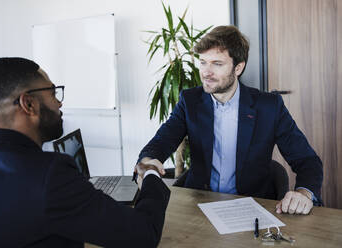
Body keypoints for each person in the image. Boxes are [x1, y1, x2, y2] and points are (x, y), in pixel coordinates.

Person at [0, 57, 170, 247]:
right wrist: (150, 173)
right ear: (29, 104)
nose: (59, 103)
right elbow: (143, 234)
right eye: (53, 93)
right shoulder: (49, 175)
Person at [137, 25, 323, 215]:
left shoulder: (269, 107)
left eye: (217, 64)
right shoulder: (190, 101)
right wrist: (147, 161)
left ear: (238, 67)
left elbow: (307, 160)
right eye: (203, 62)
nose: (206, 72)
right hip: (199, 205)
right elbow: (162, 140)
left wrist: (304, 193)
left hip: (251, 206)